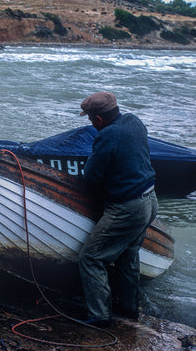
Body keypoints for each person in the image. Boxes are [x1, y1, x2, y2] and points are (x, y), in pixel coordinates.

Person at [78, 92, 158, 327]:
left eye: (91, 120)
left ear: (98, 120)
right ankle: (129, 310)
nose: (92, 124)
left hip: (128, 207)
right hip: (150, 200)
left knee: (91, 258)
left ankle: (100, 316)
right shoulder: (134, 121)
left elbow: (92, 177)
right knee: (127, 256)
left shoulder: (108, 135)